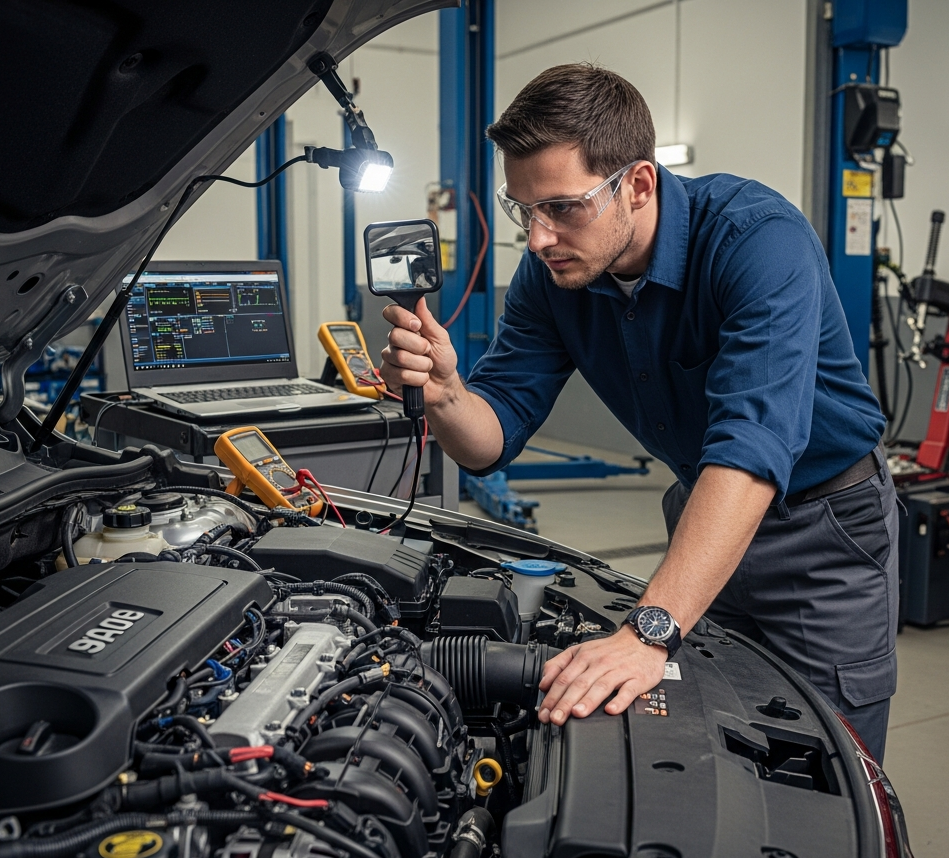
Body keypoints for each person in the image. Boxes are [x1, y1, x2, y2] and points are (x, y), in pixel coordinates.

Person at [379, 63, 899, 760]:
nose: (537, 238)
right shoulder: (552, 275)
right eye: (524, 210)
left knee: (823, 764)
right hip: (703, 519)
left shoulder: (758, 242)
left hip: (824, 531)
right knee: (725, 741)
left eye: (562, 206)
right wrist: (445, 394)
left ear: (639, 184)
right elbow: (489, 438)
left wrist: (648, 630)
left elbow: (751, 448)